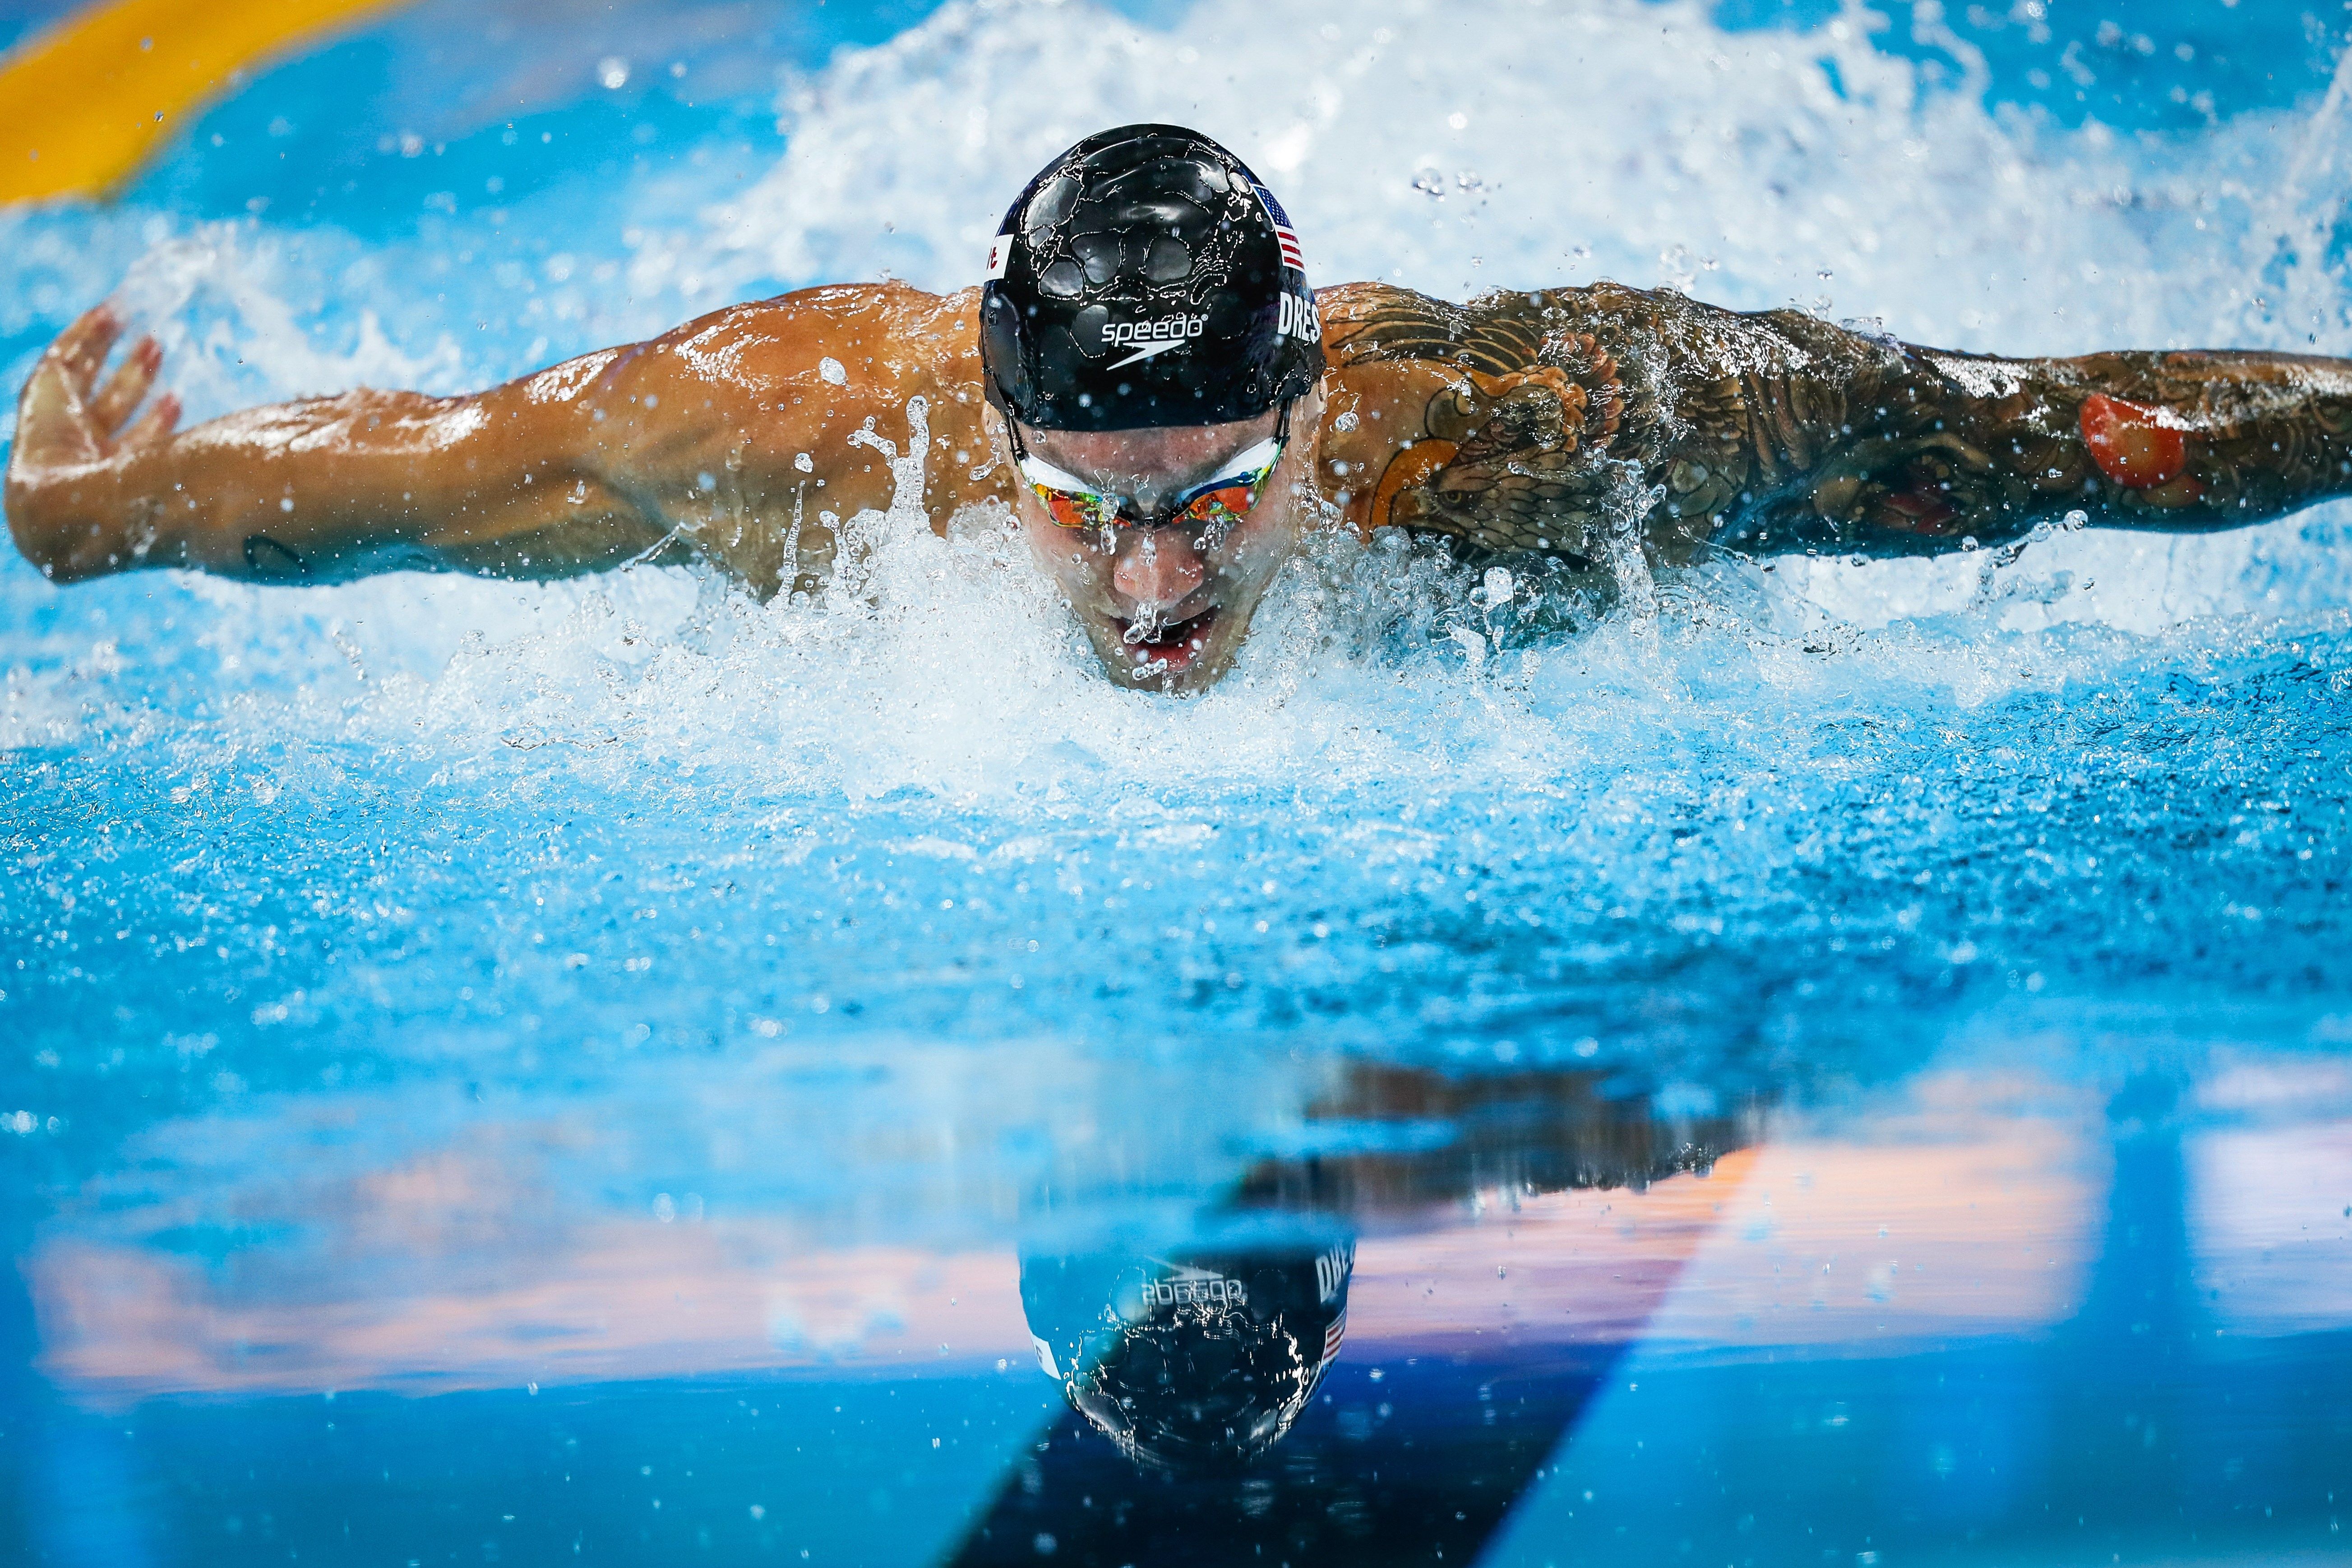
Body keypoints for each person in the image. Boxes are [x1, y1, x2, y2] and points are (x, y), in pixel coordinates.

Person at [12, 123, 2352, 695]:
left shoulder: (1524, 432)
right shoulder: (793, 430)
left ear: (1318, 411)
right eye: (1091, 506)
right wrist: (108, 514)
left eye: (1223, 496)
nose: (1158, 581)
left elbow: (2053, 431)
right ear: (993, 429)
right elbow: (414, 474)